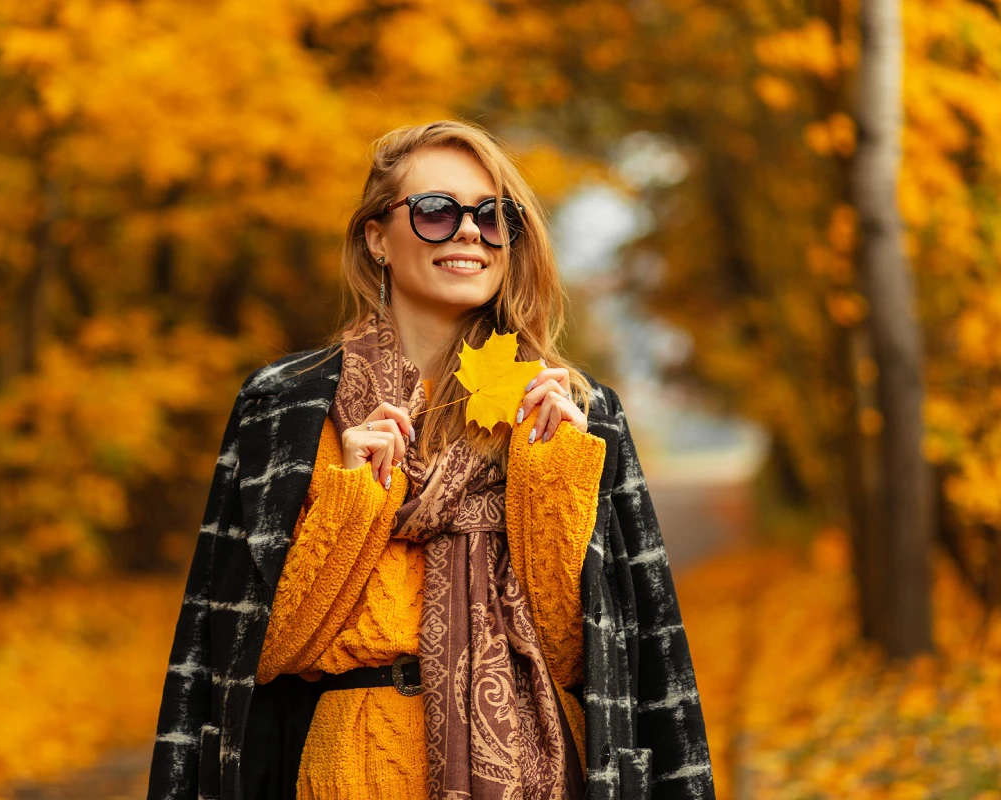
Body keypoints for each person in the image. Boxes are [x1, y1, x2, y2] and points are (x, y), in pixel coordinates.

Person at [147, 119, 716, 800]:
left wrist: (547, 474)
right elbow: (254, 654)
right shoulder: (286, 408)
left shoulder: (576, 412)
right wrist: (355, 500)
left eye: (493, 215)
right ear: (377, 238)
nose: (470, 231)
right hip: (351, 772)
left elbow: (585, 655)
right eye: (437, 212)